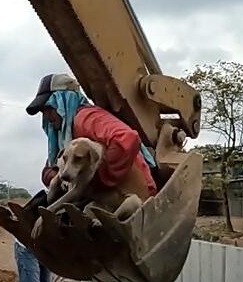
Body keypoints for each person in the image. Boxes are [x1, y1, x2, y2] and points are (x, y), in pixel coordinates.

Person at [26, 73, 158, 196]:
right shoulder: (64, 136)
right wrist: (53, 174)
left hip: (135, 193)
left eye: (50, 109)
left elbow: (127, 138)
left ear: (65, 102)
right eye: (43, 112)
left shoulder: (86, 118)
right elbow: (52, 167)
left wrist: (95, 178)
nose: (47, 117)